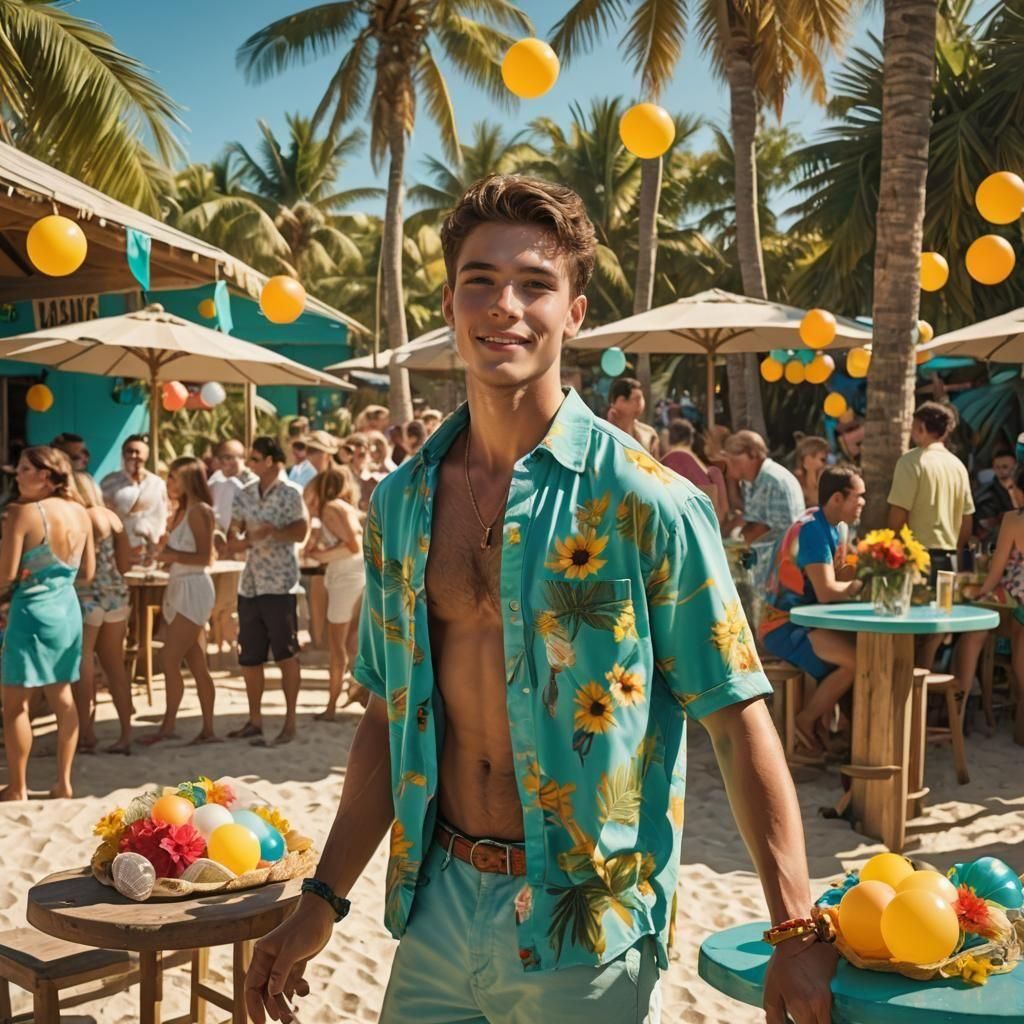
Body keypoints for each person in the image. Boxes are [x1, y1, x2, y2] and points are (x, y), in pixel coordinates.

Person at [245, 174, 833, 1024]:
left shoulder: (648, 501)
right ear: (449, 302)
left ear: (576, 312)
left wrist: (794, 927)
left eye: (535, 284)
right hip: (436, 906)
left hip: (586, 920)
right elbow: (387, 713)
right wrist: (323, 898)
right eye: (480, 281)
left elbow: (736, 717)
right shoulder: (401, 502)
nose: (504, 307)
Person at [0, 447, 95, 800]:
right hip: (67, 610)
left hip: (30, 611)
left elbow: (4, 576)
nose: (17, 475)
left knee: (15, 705)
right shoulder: (80, 513)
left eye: (24, 469)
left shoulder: (22, 513)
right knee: (62, 698)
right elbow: (87, 574)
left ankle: (19, 786)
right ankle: (64, 782)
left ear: (45, 476)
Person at [759, 467, 866, 760]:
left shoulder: (837, 526)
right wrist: (860, 585)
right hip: (784, 625)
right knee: (855, 662)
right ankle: (805, 722)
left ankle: (841, 732)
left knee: (860, 652)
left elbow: (842, 569)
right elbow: (828, 591)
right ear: (836, 499)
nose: (863, 503)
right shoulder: (811, 530)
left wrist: (866, 563)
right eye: (858, 497)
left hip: (809, 621)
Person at [226, 436, 308, 746]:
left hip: (280, 582)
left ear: (272, 460)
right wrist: (232, 537)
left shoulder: (291, 492)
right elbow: (232, 528)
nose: (250, 463)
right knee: (250, 656)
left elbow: (301, 531)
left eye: (255, 458)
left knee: (286, 654)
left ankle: (290, 722)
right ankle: (255, 720)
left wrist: (272, 532)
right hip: (250, 583)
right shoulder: (245, 493)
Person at [143, 457, 218, 745]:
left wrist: (169, 556)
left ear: (187, 479)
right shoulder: (183, 511)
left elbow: (205, 557)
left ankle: (169, 726)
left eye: (173, 477)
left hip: (193, 587)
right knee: (196, 661)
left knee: (169, 657)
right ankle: (207, 729)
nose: (168, 483)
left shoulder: (199, 511)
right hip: (180, 585)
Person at [73, 472, 134, 755]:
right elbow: (125, 564)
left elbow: (85, 567)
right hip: (116, 594)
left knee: (84, 661)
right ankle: (125, 734)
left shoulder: (82, 516)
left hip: (88, 595)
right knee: (115, 666)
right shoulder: (112, 517)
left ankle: (86, 733)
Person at [303, 464, 365, 719]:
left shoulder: (331, 508)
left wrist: (319, 555)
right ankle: (358, 691)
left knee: (337, 647)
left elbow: (352, 546)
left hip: (345, 578)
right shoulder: (345, 507)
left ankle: (331, 705)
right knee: (352, 642)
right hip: (355, 575)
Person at [888, 401, 974, 581]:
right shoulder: (958, 466)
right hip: (950, 560)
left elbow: (898, 513)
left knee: (914, 608)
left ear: (921, 427)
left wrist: (892, 549)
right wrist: (957, 551)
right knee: (944, 608)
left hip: (917, 559)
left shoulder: (911, 461)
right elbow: (967, 520)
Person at [723, 430, 806, 592]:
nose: (730, 466)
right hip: (761, 568)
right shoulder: (751, 480)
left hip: (777, 575)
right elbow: (749, 518)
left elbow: (777, 532)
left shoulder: (773, 480)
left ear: (753, 454)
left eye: (733, 460)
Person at [100, 435, 168, 555]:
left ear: (146, 455)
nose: (133, 456)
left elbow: (165, 513)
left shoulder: (157, 483)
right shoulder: (109, 482)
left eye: (137, 452)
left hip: (151, 550)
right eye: (129, 451)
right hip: (119, 549)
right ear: (123, 454)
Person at [661, 418, 728, 521]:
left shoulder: (672, 459)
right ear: (691, 439)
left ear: (667, 436)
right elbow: (723, 509)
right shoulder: (698, 462)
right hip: (709, 523)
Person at [607, 376, 661, 457]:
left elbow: (656, 464)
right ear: (621, 401)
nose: (641, 403)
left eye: (641, 398)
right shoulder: (604, 432)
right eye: (637, 399)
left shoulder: (649, 433)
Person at [974, 450, 1019, 544]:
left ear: (1015, 467)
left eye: (1005, 467)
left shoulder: (1020, 489)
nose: (1001, 470)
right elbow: (986, 529)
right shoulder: (986, 495)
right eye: (997, 467)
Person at [791, 436, 830, 510]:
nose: (826, 466)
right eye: (823, 460)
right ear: (807, 461)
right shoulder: (794, 488)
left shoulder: (827, 483)